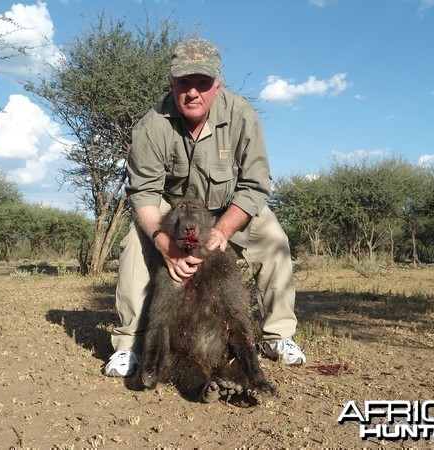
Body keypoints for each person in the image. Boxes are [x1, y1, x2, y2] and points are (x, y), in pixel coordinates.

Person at [104, 38, 306, 377]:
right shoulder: (152, 125)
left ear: (218, 86)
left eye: (203, 83)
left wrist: (224, 230)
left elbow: (256, 184)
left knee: (274, 239)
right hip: (172, 213)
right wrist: (161, 240)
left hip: (229, 208)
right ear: (172, 83)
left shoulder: (242, 115)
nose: (193, 92)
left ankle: (277, 336)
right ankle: (129, 345)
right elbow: (144, 192)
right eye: (184, 82)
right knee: (133, 248)